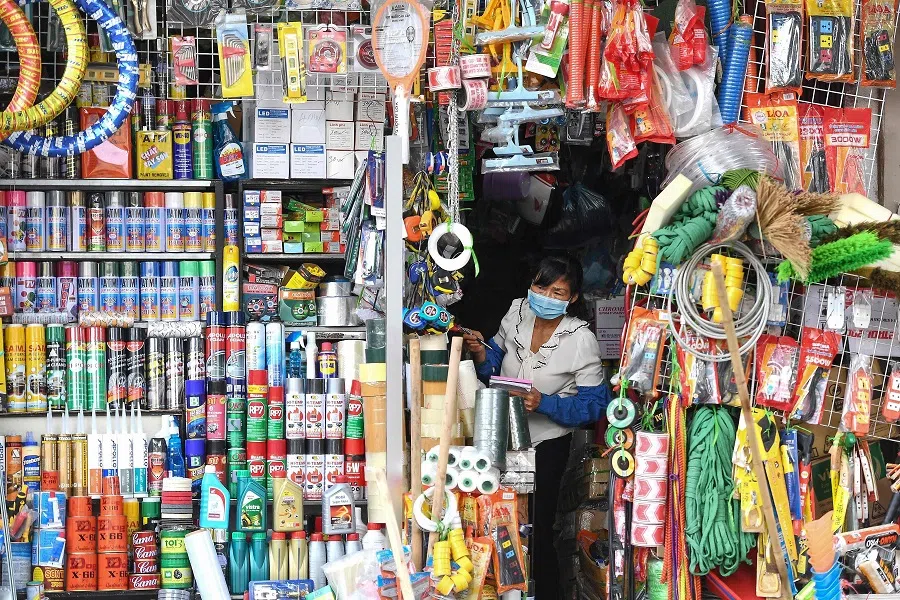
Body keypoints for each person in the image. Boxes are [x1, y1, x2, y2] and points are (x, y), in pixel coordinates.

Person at [463, 254, 612, 596]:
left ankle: (544, 591)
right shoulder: (517, 312)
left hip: (548, 443)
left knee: (540, 526)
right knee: (500, 518)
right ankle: (504, 589)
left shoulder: (580, 339)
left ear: (573, 298)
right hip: (504, 436)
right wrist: (482, 353)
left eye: (558, 292)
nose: (546, 296)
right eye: (541, 286)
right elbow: (494, 367)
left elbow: (593, 406)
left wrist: (544, 402)